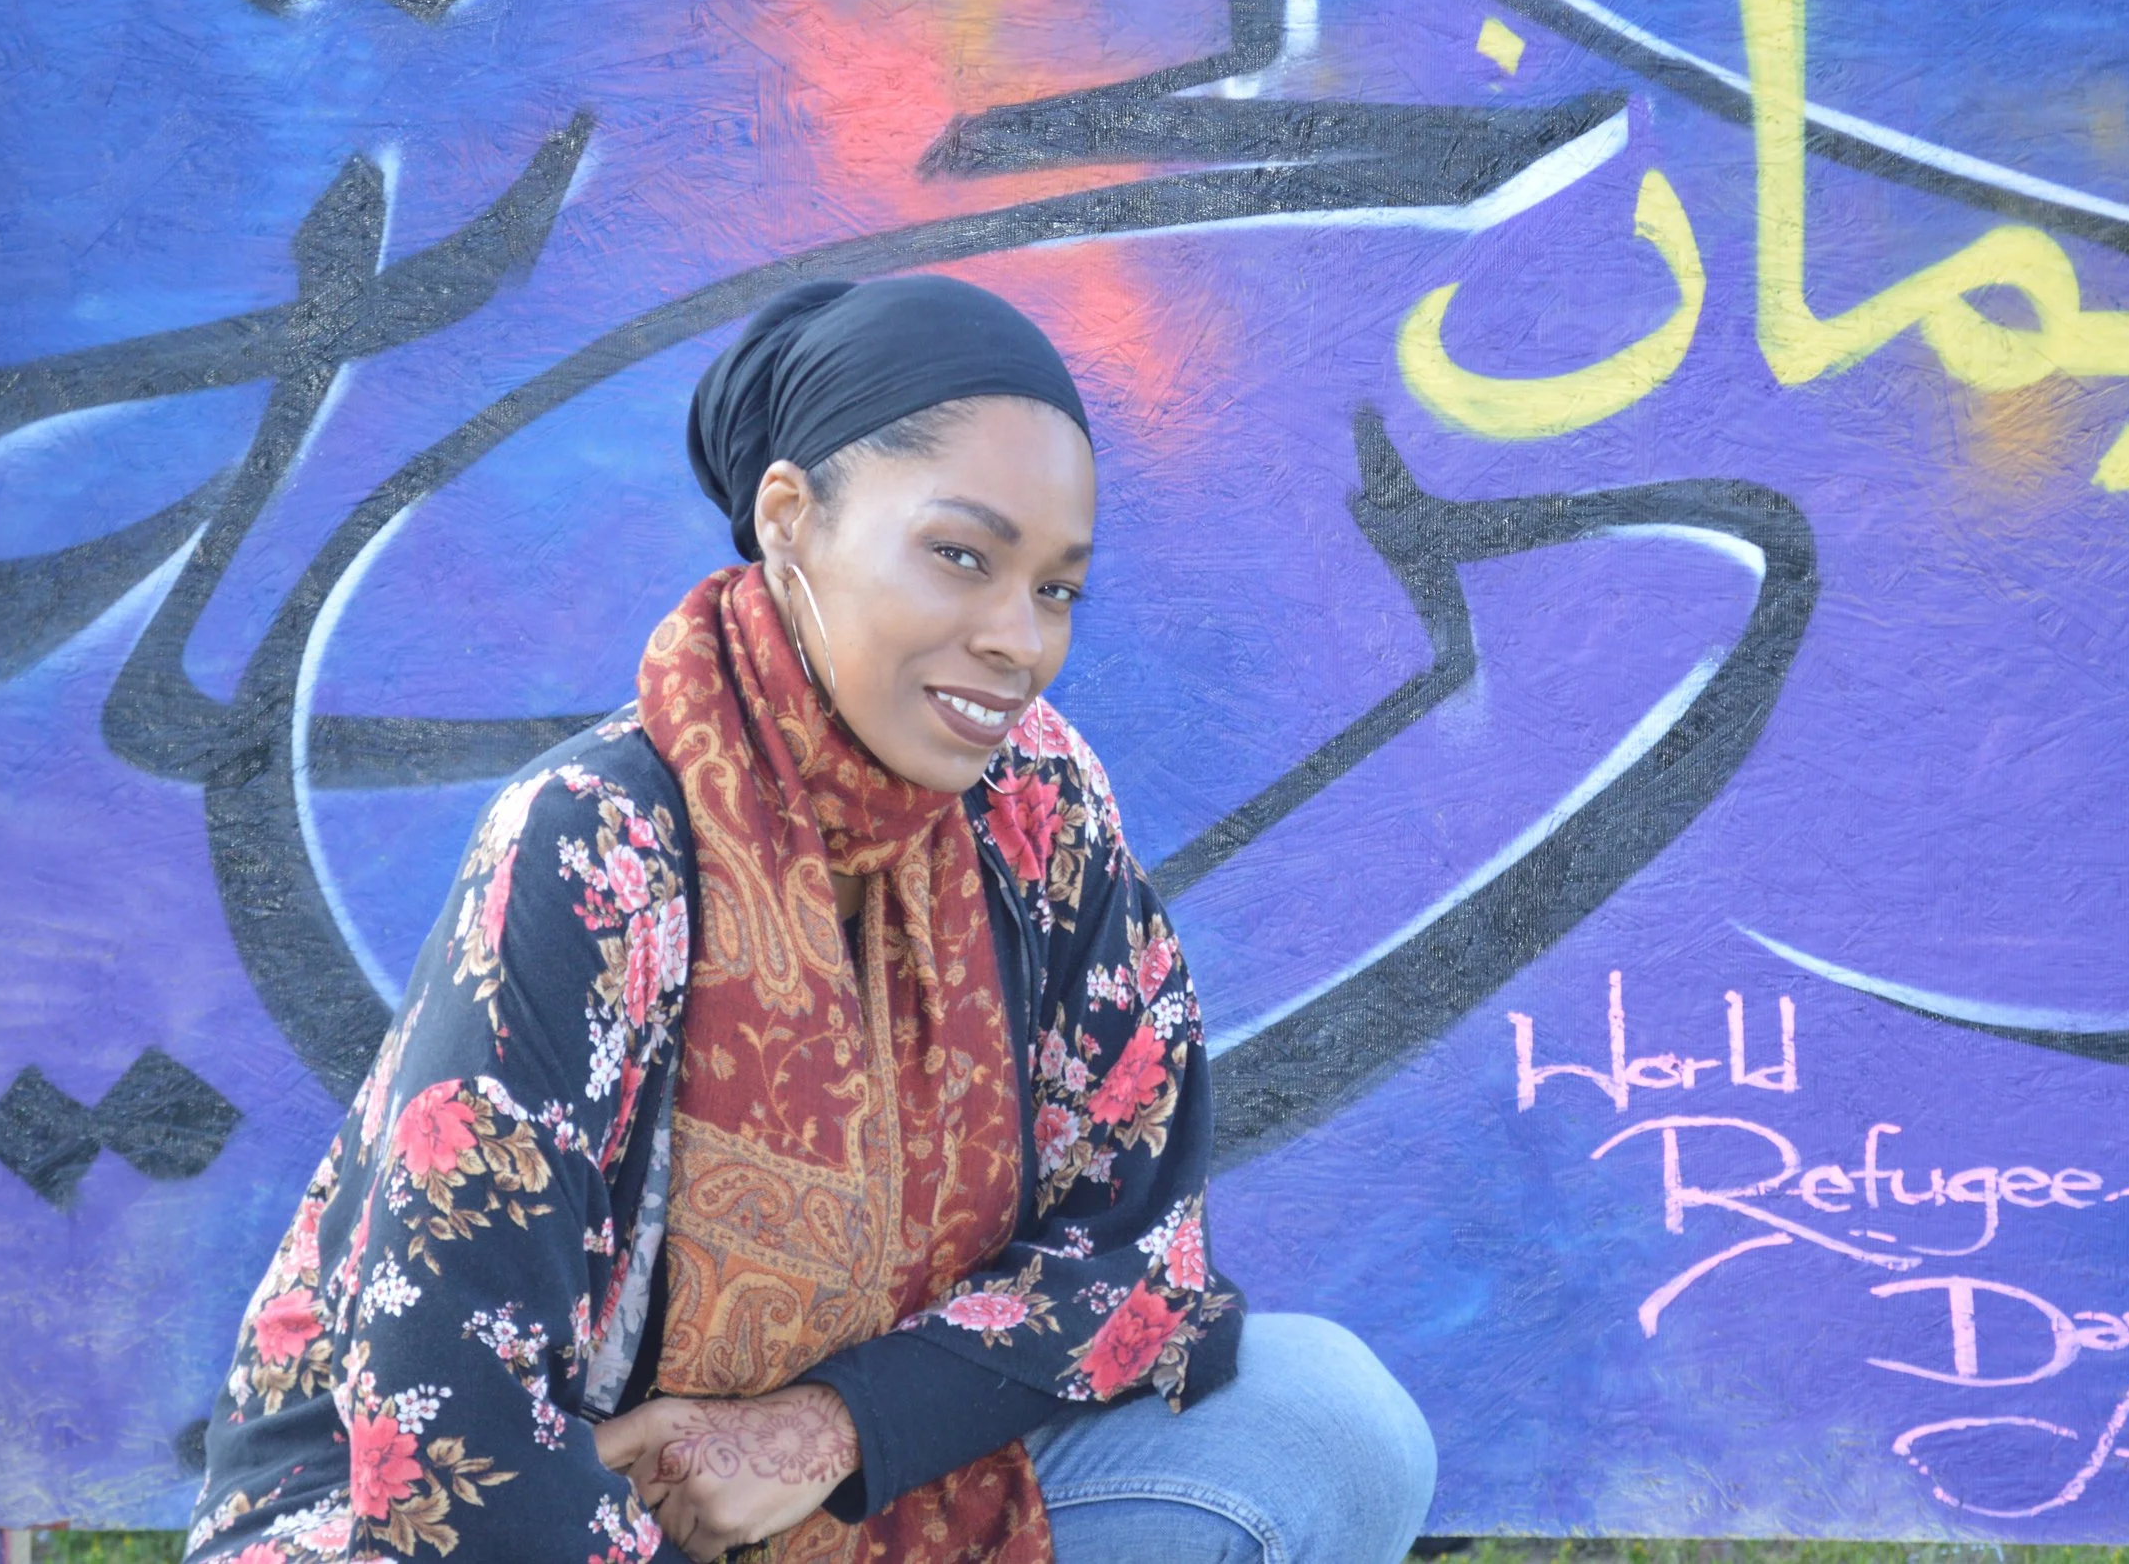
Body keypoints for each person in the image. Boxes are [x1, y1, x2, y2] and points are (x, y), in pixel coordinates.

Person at [181, 274, 1436, 1564]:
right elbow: (446, 1410)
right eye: (962, 555)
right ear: (790, 519)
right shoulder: (601, 848)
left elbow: (1137, 1250)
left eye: (1057, 589)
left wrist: (831, 1428)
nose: (1019, 641)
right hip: (476, 1522)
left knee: (1324, 1420)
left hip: (832, 1508)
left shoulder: (1034, 812)